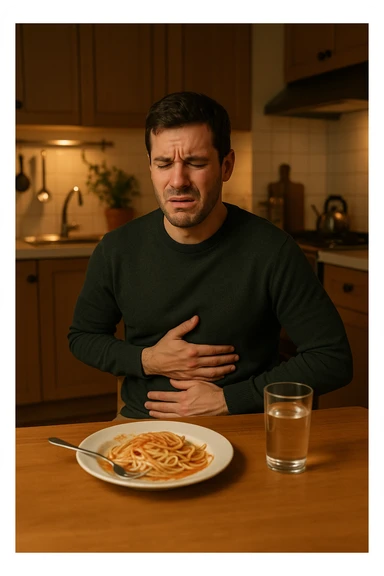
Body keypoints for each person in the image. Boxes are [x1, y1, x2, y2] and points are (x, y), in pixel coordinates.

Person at [68, 91, 353, 419]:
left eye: (196, 163)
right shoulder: (117, 249)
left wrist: (230, 399)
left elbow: (332, 359)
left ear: (226, 165)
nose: (178, 180)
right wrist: (148, 359)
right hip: (142, 428)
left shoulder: (273, 250)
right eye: (164, 164)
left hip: (243, 424)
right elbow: (83, 337)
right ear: (150, 167)